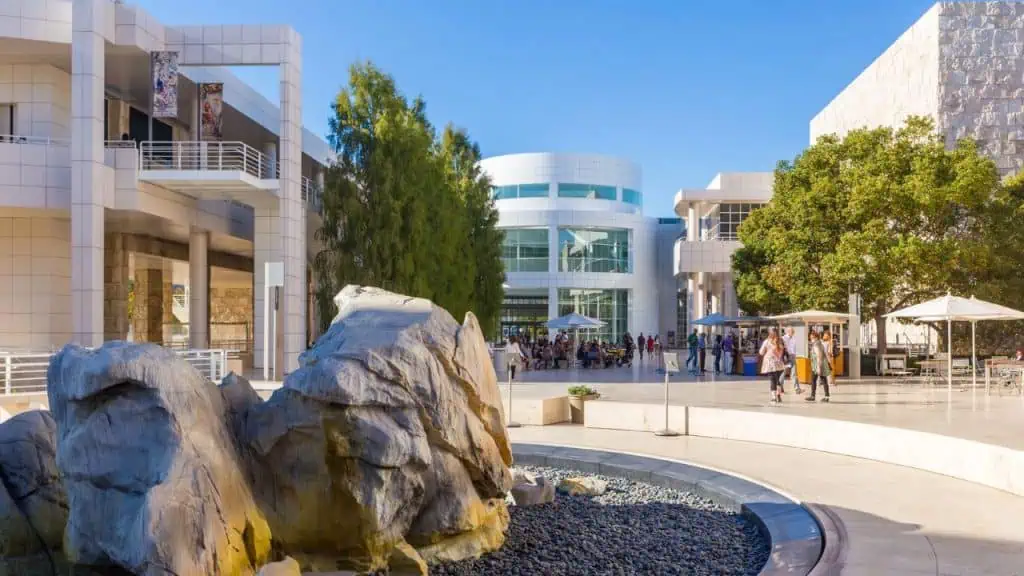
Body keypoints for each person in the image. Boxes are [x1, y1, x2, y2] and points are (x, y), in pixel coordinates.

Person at [760, 328, 786, 403]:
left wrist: (767, 351)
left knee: (772, 380)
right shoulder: (781, 341)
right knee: (778, 380)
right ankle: (778, 395)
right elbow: (784, 350)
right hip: (779, 363)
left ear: (769, 334)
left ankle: (774, 397)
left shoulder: (767, 341)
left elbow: (761, 352)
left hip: (770, 362)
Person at [806, 331, 831, 402]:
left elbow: (819, 356)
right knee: (821, 380)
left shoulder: (817, 345)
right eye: (810, 338)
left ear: (816, 337)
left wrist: (819, 368)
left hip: (818, 365)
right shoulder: (819, 343)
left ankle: (814, 396)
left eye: (813, 337)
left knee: (815, 380)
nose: (811, 339)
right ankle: (825, 396)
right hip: (819, 364)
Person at [782, 327, 803, 394]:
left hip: (792, 356)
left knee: (794, 373)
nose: (793, 332)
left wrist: (795, 355)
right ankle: (780, 387)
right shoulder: (783, 338)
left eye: (793, 331)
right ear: (788, 331)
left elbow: (794, 348)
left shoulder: (793, 338)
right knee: (783, 373)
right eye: (792, 331)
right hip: (786, 357)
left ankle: (797, 389)